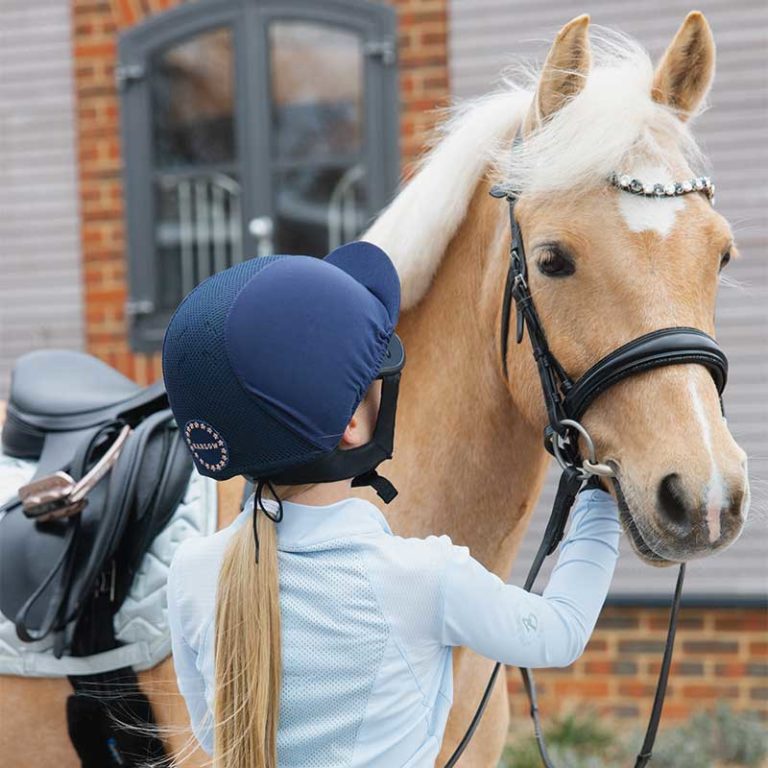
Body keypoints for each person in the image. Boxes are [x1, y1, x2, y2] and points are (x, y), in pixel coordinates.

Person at [162, 241, 621, 768]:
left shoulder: (192, 573)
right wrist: (599, 488)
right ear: (351, 425)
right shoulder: (424, 578)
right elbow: (559, 632)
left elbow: (213, 731)